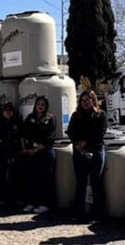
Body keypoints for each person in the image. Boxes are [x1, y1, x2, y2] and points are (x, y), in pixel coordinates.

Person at [66, 90, 108, 221]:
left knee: (96, 183)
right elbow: (70, 131)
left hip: (95, 151)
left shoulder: (101, 115)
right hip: (79, 152)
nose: (85, 103)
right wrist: (77, 144)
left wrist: (85, 143)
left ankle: (97, 214)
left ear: (93, 100)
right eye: (82, 100)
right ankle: (79, 213)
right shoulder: (76, 116)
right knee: (81, 183)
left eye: (88, 100)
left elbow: (100, 134)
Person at [20, 96, 56, 214]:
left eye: (43, 104)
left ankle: (45, 204)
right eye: (38, 104)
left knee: (45, 179)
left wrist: (37, 149)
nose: (40, 106)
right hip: (31, 153)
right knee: (31, 178)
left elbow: (50, 137)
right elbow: (23, 134)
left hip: (45, 152)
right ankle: (32, 202)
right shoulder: (30, 118)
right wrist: (26, 149)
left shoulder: (50, 118)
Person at [0, 102, 21, 206]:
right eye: (6, 111)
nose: (8, 113)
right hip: (0, 154)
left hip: (13, 154)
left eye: (10, 110)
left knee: (14, 177)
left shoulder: (17, 123)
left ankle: (14, 198)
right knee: (0, 177)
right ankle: (1, 198)